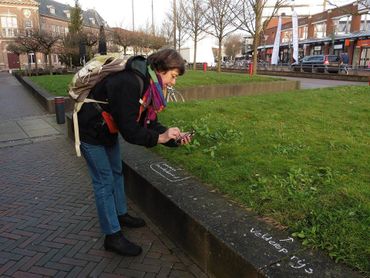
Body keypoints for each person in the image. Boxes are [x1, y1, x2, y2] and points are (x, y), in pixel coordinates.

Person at [77, 48, 191, 256]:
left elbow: (148, 122)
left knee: (117, 172)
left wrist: (170, 137)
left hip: (107, 129)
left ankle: (121, 214)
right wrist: (159, 138)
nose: (174, 82)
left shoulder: (148, 87)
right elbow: (130, 131)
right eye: (173, 76)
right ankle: (112, 236)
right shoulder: (130, 82)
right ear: (160, 69)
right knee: (104, 181)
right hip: (90, 131)